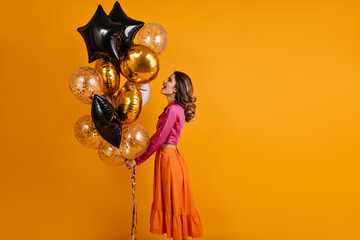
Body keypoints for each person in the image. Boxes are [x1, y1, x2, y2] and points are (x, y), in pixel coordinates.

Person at [125, 71, 203, 240]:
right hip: (168, 158)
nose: (164, 81)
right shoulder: (172, 109)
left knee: (174, 204)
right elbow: (158, 135)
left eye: (169, 80)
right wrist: (137, 154)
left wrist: (137, 160)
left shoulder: (174, 109)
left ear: (176, 89)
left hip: (169, 160)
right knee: (173, 204)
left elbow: (160, 139)